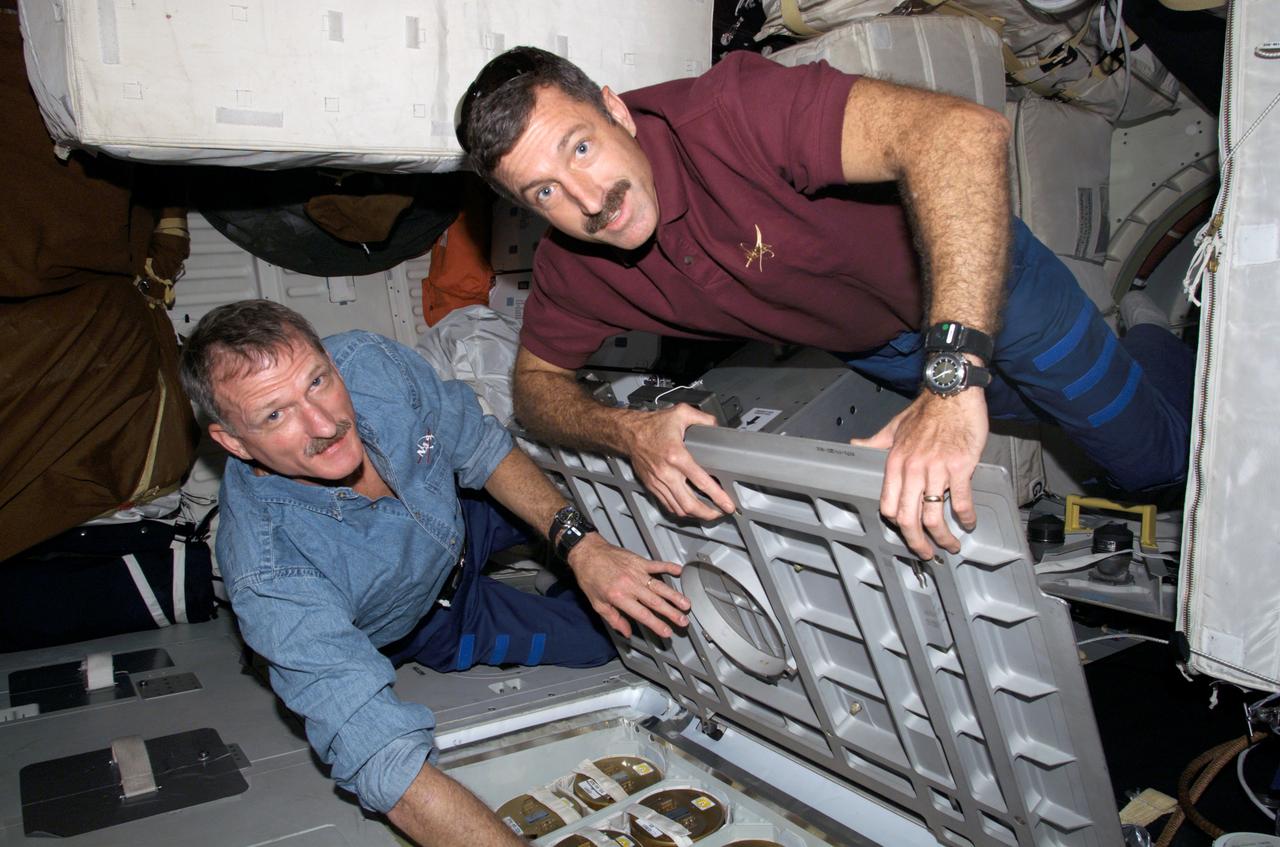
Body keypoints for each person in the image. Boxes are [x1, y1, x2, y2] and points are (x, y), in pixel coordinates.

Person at [455, 46, 1193, 562]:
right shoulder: (578, 263)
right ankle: (1112, 363)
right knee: (1052, 411)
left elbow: (962, 133)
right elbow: (533, 388)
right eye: (543, 192)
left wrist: (953, 376)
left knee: (1144, 463)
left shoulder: (728, 113)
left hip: (985, 290)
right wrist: (630, 433)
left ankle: (1159, 332)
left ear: (615, 109)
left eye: (579, 148)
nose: (588, 200)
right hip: (881, 353)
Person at [178, 300, 690, 847]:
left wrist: (583, 549)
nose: (324, 424)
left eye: (318, 381)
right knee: (608, 638)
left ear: (329, 359)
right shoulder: (269, 567)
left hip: (459, 516)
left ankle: (563, 563)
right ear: (232, 441)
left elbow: (481, 447)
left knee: (600, 516)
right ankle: (550, 588)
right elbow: (381, 757)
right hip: (432, 620)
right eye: (274, 415)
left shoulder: (371, 363)